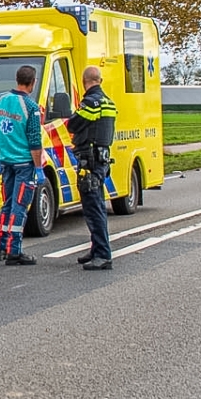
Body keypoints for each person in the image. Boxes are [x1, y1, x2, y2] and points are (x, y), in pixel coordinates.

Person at [0, 65, 46, 266]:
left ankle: (0, 246)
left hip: (5, 163)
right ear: (33, 82)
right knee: (19, 207)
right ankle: (14, 250)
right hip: (24, 164)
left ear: (17, 79)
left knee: (7, 204)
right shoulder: (30, 107)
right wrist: (38, 169)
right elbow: (34, 141)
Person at [67, 65, 117, 271]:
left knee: (93, 208)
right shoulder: (109, 102)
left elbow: (73, 125)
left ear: (85, 81)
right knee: (95, 205)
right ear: (100, 80)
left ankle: (103, 254)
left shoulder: (91, 103)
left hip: (90, 160)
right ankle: (96, 249)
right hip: (102, 158)